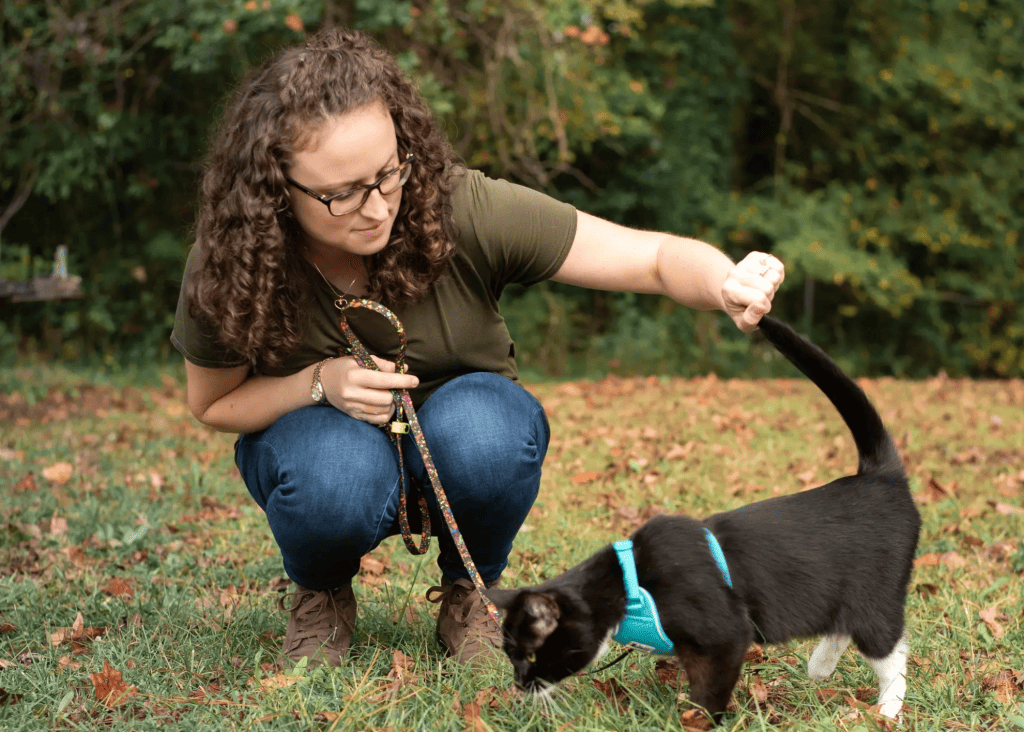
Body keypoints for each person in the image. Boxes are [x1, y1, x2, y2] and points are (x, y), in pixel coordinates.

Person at [171, 27, 784, 670]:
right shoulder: (231, 263)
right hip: (324, 456)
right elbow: (214, 404)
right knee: (331, 469)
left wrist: (724, 282)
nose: (377, 208)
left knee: (489, 426)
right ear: (275, 188)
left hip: (462, 443)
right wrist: (318, 382)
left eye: (388, 174)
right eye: (342, 193)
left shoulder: (459, 208)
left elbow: (654, 258)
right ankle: (321, 593)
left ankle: (473, 592)